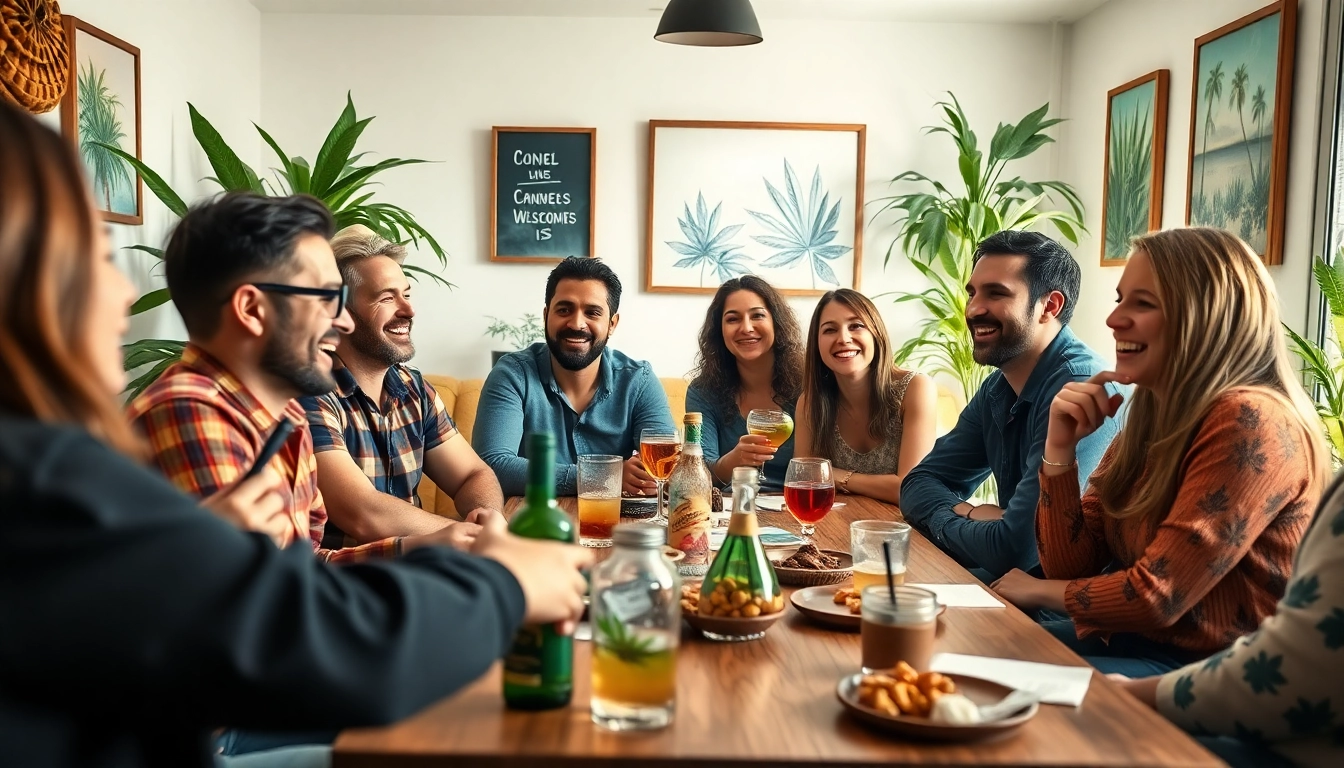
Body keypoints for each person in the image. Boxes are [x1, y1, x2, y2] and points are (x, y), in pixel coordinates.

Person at [0, 98, 590, 768]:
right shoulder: (175, 419)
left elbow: (290, 584)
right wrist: (504, 585)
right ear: (253, 309)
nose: (124, 295)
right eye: (97, 255)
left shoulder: (278, 415)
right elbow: (290, 638)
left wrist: (430, 552)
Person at [991, 228, 1326, 676]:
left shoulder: (1249, 419)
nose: (1114, 320)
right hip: (1135, 641)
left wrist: (1037, 592)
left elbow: (1158, 595)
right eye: (1120, 300)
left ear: (1206, 317)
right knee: (979, 643)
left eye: (1143, 303)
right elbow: (1071, 564)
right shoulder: (1152, 416)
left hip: (1212, 671)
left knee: (1000, 670)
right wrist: (1059, 451)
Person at [127, 193, 481, 562]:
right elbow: (264, 589)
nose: (343, 322)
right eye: (325, 298)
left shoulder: (285, 415)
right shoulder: (190, 413)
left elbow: (303, 563)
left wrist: (417, 547)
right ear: (252, 309)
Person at [900, 230, 1118, 581]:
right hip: (1011, 584)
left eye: (996, 293)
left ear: (1050, 306)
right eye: (972, 293)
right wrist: (970, 512)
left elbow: (1017, 548)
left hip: (1067, 604)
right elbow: (917, 483)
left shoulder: (1083, 390)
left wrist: (943, 519)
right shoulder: (999, 386)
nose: (974, 309)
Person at [1113, 469, 1344, 768]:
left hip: (1204, 669)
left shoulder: (1254, 448)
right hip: (1214, 678)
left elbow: (1298, 671)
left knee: (1100, 729)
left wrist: (1136, 693)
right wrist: (1059, 454)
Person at [302, 225, 503, 546]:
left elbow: (472, 475)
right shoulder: (310, 392)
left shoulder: (414, 389)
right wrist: (472, 538)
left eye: (406, 294)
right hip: (347, 572)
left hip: (420, 563)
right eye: (387, 297)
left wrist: (489, 517)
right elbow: (361, 512)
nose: (409, 310)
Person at [474, 257, 675, 496]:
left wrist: (649, 479)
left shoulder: (638, 381)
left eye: (592, 312)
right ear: (546, 316)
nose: (577, 323)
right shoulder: (513, 374)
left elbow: (668, 467)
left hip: (615, 519)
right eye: (564, 310)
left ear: (612, 324)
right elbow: (492, 465)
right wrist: (604, 476)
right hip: (529, 518)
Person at [794, 289, 936, 505]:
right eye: (830, 330)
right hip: (838, 521)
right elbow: (804, 479)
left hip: (907, 523)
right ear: (816, 343)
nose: (843, 338)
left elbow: (911, 489)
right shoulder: (809, 402)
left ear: (876, 334)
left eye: (856, 326)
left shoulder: (915, 388)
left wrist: (836, 476)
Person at [686, 276, 804, 492]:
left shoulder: (808, 385)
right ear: (719, 330)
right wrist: (734, 459)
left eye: (757, 315)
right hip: (733, 505)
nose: (746, 328)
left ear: (776, 322)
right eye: (733, 319)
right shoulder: (703, 391)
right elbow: (700, 475)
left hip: (798, 503)